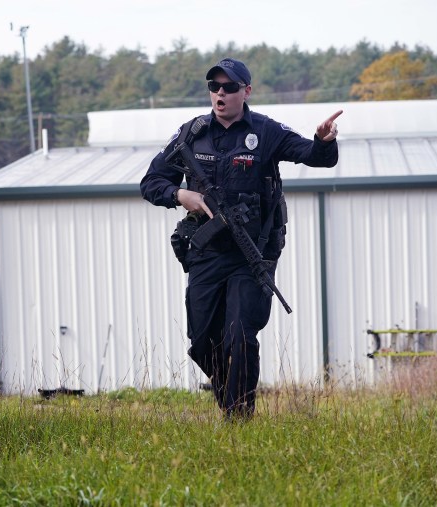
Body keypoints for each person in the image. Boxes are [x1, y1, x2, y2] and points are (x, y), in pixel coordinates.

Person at [140, 57, 341, 418]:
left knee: (240, 334)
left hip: (253, 255)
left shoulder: (265, 132)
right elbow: (151, 182)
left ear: (246, 91)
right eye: (214, 87)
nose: (220, 93)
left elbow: (313, 157)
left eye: (229, 87)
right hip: (207, 252)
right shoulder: (191, 133)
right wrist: (180, 196)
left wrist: (322, 141)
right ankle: (231, 398)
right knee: (202, 342)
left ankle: (239, 417)